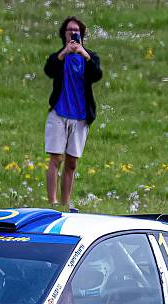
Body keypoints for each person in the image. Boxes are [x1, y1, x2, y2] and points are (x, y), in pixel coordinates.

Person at [43, 16, 103, 207]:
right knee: (55, 158)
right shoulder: (58, 57)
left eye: (76, 30)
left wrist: (83, 54)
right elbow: (49, 70)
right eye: (69, 30)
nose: (72, 33)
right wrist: (64, 53)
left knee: (71, 163)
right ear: (64, 34)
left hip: (80, 117)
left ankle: (64, 203)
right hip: (59, 113)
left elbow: (96, 75)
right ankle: (51, 202)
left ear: (82, 34)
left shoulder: (90, 57)